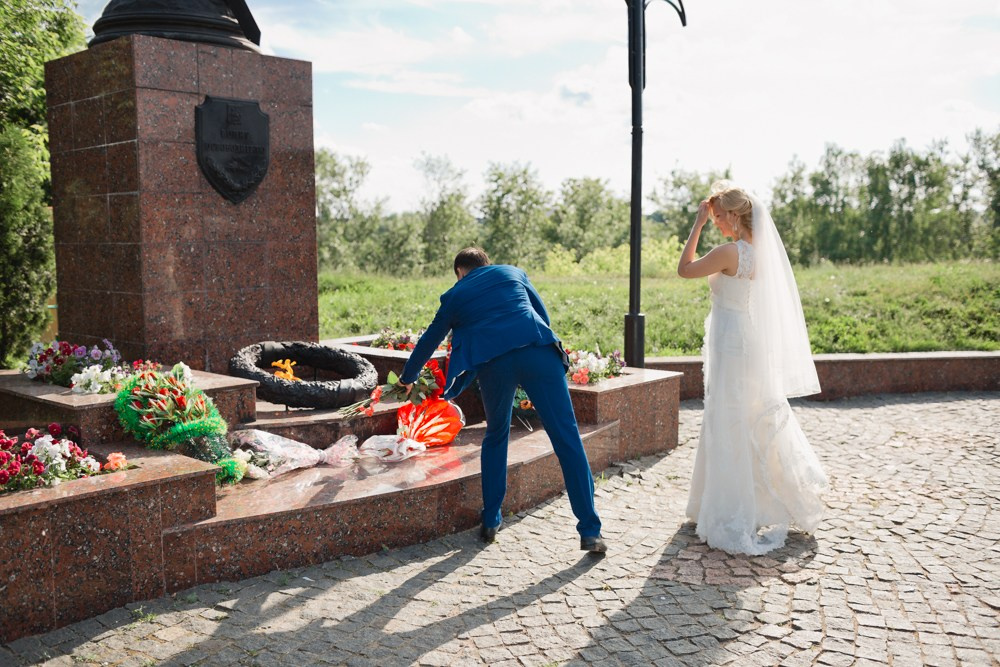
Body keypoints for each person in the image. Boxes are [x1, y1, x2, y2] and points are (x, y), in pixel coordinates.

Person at [399, 247, 607, 552]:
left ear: (460, 272)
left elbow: (431, 337)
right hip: (538, 351)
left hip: (495, 364)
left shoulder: (455, 294)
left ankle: (492, 519)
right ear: (487, 264)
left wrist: (407, 377)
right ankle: (590, 530)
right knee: (567, 438)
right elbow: (541, 315)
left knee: (497, 436)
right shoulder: (513, 272)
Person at [676, 183, 828, 555]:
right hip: (747, 340)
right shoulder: (760, 254)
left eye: (717, 218)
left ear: (733, 215)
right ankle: (759, 501)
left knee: (727, 420)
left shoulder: (729, 252)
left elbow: (684, 269)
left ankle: (731, 510)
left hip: (731, 344)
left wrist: (694, 225)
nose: (716, 225)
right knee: (745, 416)